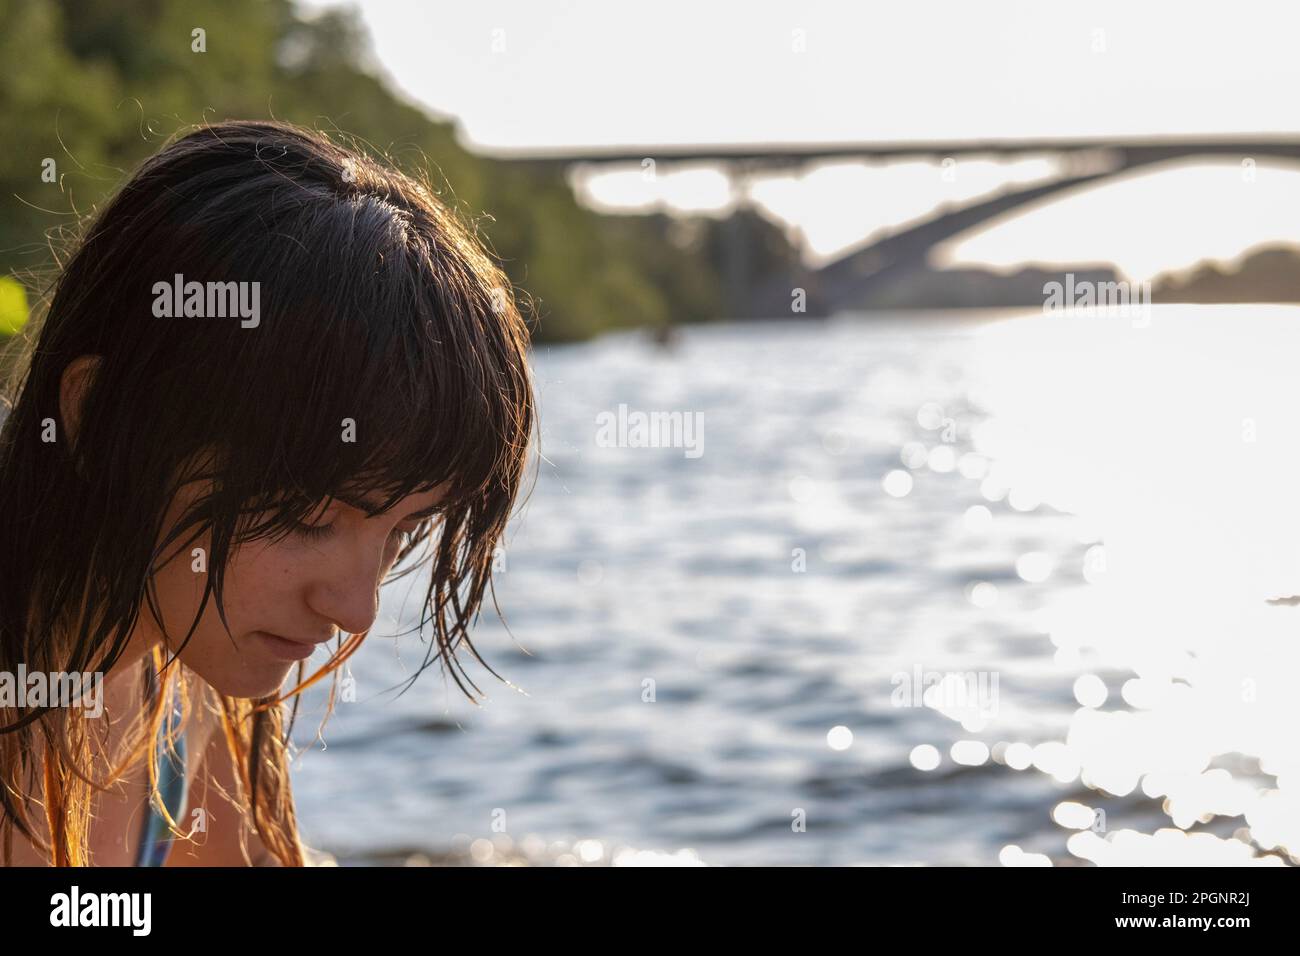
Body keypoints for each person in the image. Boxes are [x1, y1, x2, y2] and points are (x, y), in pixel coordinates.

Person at [0, 120, 536, 866]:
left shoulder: (188, 677)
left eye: (403, 532)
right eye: (308, 515)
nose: (356, 610)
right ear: (102, 417)